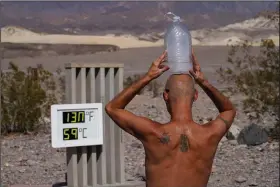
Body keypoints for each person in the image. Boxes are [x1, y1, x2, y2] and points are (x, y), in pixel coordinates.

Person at [105, 49, 236, 187]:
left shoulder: (153, 132)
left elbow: (112, 108)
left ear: (165, 96)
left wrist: (148, 77)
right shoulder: (209, 134)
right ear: (196, 95)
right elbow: (229, 110)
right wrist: (204, 82)